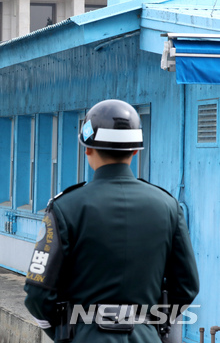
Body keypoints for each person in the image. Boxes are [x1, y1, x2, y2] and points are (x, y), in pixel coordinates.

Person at [24, 99, 199, 342]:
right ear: (136, 150)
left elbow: (37, 293)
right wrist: (150, 325)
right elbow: (187, 288)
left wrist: (69, 331)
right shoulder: (168, 206)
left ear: (86, 148)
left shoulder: (65, 207)